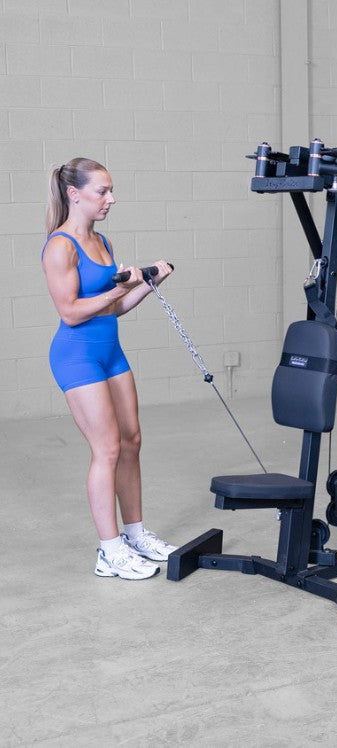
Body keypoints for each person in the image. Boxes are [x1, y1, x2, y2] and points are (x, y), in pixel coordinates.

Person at [42, 157, 176, 580]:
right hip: (76, 356)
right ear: (74, 194)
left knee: (131, 440)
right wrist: (122, 287)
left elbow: (113, 309)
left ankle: (135, 534)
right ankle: (109, 550)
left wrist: (148, 284)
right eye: (102, 191)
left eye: (111, 190)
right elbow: (70, 313)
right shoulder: (60, 246)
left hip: (110, 351)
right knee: (107, 449)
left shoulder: (103, 242)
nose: (111, 199)